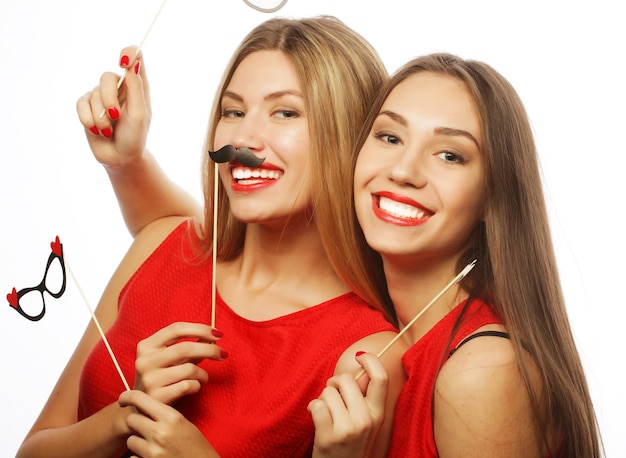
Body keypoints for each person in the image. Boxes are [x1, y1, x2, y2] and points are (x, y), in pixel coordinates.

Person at [16, 17, 407, 458]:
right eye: (233, 111)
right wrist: (126, 417)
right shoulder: (161, 244)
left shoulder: (366, 355)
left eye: (286, 112)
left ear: (351, 136)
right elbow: (32, 450)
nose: (241, 138)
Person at [348, 52, 602, 456]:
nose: (403, 171)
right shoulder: (376, 331)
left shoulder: (483, 371)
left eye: (450, 155)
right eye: (390, 137)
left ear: (492, 198)